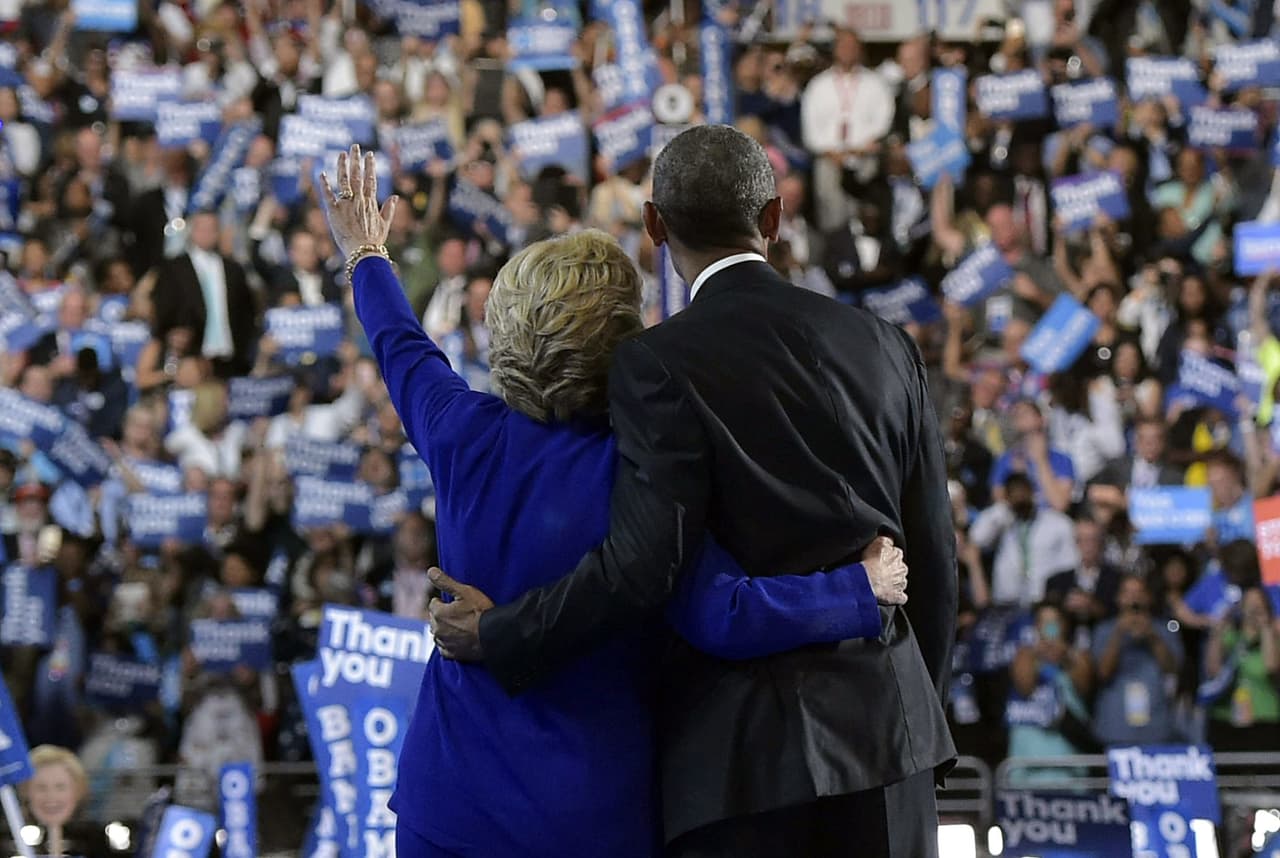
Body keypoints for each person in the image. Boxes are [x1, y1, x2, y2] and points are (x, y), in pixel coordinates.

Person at [322, 145, 910, 858]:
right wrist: (858, 589)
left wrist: (366, 254)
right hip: (590, 819)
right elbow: (722, 614)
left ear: (505, 330)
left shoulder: (461, 434)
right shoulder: (642, 471)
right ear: (625, 336)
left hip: (447, 809)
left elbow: (403, 349)